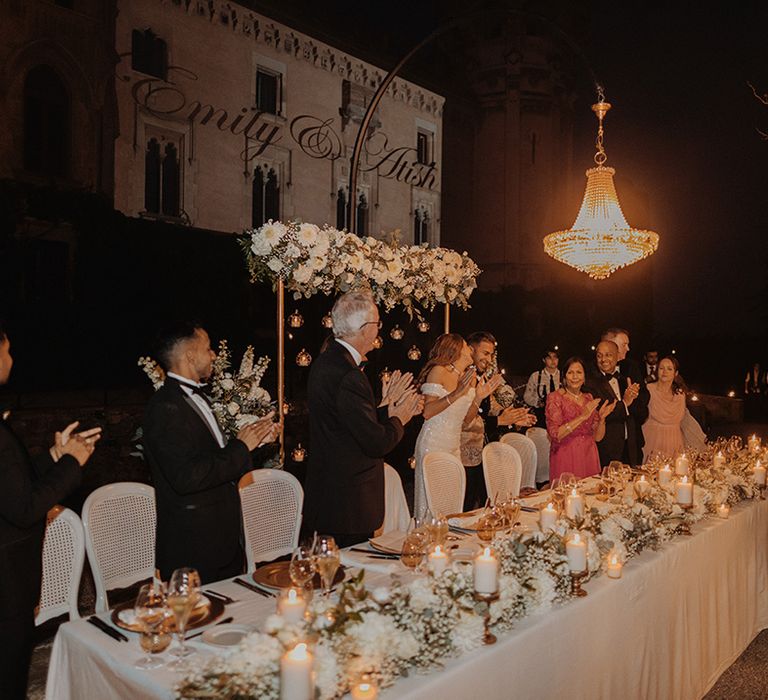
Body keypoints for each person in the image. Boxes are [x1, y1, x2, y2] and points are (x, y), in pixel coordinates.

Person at [0, 322, 100, 699]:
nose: (11, 358)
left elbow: (9, 487)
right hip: (6, 588)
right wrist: (72, 465)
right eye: (6, 350)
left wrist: (55, 457)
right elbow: (24, 507)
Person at [142, 321, 278, 583]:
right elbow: (187, 476)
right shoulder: (165, 408)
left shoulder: (197, 398)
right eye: (208, 348)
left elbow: (211, 459)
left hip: (221, 544)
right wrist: (241, 446)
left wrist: (255, 441)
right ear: (190, 355)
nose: (214, 355)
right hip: (193, 549)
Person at [303, 290, 422, 547]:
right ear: (365, 328)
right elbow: (375, 443)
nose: (379, 331)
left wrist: (387, 408)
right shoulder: (348, 373)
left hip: (332, 496)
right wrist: (399, 418)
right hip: (347, 503)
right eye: (377, 324)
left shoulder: (329, 361)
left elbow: (347, 424)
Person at [415, 333, 500, 517]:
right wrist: (457, 393)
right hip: (434, 444)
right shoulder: (439, 371)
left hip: (454, 447)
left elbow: (466, 420)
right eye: (466, 346)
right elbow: (427, 412)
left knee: (452, 505)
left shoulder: (469, 378)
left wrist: (478, 397)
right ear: (456, 350)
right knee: (433, 504)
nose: (470, 350)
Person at [460, 332, 535, 509]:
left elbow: (491, 409)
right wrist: (500, 420)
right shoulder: (462, 378)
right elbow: (464, 419)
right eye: (485, 353)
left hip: (482, 450)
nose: (489, 358)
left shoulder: (482, 377)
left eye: (491, 354)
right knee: (465, 508)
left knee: (482, 504)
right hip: (463, 453)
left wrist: (515, 418)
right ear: (471, 350)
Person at [545, 357, 615, 481]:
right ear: (564, 377)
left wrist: (602, 419)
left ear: (584, 377)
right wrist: (582, 416)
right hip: (565, 454)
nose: (575, 377)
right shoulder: (555, 398)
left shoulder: (588, 398)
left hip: (589, 454)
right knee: (567, 496)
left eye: (579, 372)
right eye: (570, 372)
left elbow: (597, 437)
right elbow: (556, 434)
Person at [585, 340, 650, 467]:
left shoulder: (626, 378)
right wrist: (625, 402)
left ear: (617, 356)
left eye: (608, 355)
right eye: (599, 355)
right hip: (607, 449)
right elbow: (601, 414)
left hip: (630, 447)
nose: (603, 359)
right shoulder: (590, 384)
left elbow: (642, 413)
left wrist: (633, 400)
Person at [642, 356, 687, 461]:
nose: (664, 372)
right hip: (652, 438)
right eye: (661, 368)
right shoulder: (648, 390)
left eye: (669, 369)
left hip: (674, 440)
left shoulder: (680, 394)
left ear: (675, 373)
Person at [524, 347, 561, 426]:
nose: (553, 360)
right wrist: (537, 402)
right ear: (544, 360)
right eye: (549, 358)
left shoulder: (564, 376)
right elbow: (527, 396)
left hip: (560, 416)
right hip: (541, 416)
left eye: (555, 357)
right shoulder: (535, 376)